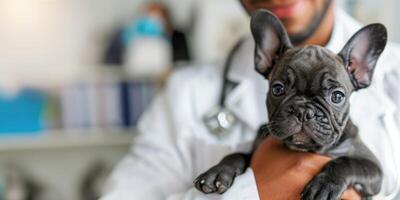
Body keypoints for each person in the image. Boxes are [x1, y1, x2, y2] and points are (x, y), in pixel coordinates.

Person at [100, 0, 400, 199]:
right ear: (266, 59)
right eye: (282, 89)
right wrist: (254, 188)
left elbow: (371, 171)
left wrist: (340, 180)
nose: (306, 114)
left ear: (360, 70)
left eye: (333, 96)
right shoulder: (185, 91)